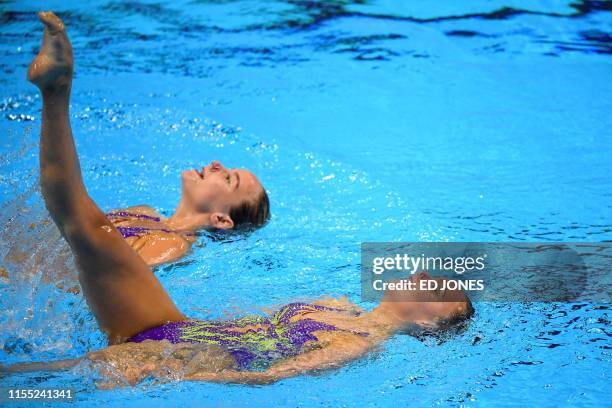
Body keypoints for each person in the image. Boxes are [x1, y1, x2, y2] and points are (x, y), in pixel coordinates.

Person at [6, 12, 473, 386]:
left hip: (166, 350)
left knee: (41, 360)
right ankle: (55, 90)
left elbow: (265, 375)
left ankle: (57, 90)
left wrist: (163, 369)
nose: (428, 273)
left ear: (430, 325)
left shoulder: (359, 342)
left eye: (444, 290)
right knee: (83, 237)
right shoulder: (338, 306)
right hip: (178, 327)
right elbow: (247, 328)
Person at [28, 11, 270, 267]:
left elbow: (91, 279)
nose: (217, 164)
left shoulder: (173, 246)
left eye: (229, 179)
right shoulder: (143, 212)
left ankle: (56, 91)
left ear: (221, 220)